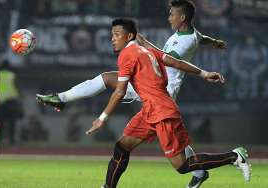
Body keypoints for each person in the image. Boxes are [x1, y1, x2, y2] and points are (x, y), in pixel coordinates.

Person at [36, 1, 226, 187]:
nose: (169, 17)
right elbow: (201, 38)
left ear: (182, 17)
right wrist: (215, 42)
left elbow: (170, 60)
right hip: (153, 85)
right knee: (153, 142)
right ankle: (200, 171)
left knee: (107, 79)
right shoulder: (190, 34)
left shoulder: (185, 41)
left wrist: (144, 44)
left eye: (172, 14)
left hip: (158, 89)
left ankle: (61, 98)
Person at [86, 18, 250, 188]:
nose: (112, 38)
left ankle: (234, 157)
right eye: (112, 34)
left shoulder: (127, 55)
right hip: (150, 110)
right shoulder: (147, 50)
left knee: (182, 165)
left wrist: (102, 118)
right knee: (122, 147)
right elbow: (174, 61)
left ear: (128, 37)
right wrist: (203, 73)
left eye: (117, 34)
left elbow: (120, 92)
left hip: (162, 112)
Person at [0, 60, 23, 145]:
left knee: (0, 122)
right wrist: (20, 97)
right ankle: (12, 140)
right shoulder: (12, 75)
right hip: (11, 100)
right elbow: (17, 87)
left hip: (0, 101)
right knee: (12, 121)